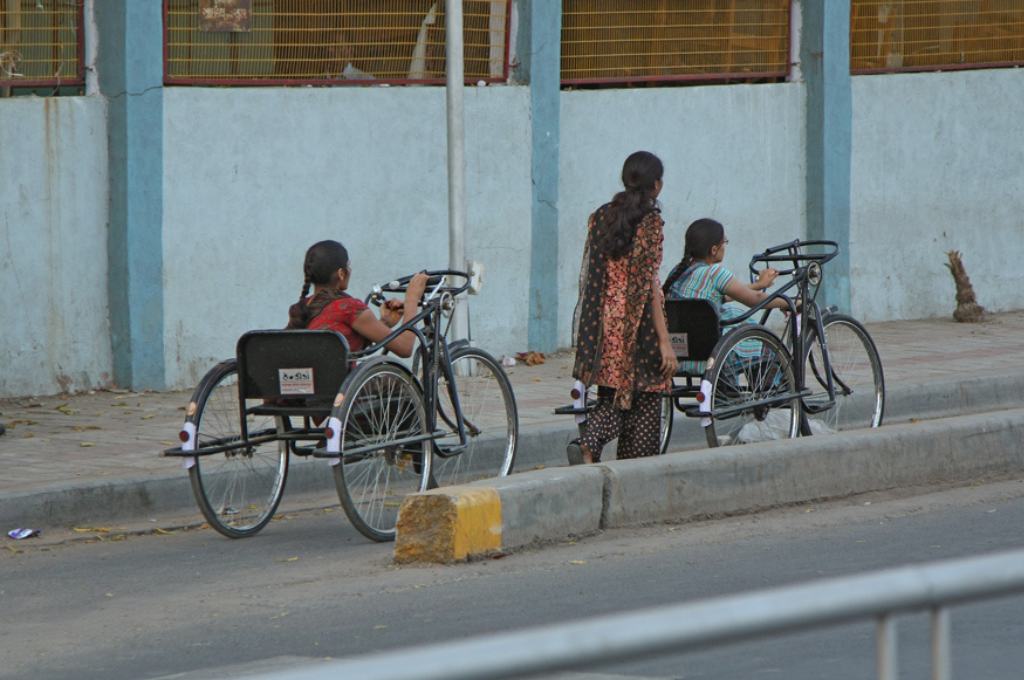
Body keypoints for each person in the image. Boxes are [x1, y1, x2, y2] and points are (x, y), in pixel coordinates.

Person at [569, 151, 678, 465]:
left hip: (604, 323)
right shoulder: (650, 222)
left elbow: (593, 274)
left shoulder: (602, 216)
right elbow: (648, 286)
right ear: (656, 185)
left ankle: (590, 447)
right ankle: (615, 459)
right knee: (646, 397)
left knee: (613, 394)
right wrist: (663, 340)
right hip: (637, 322)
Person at [664, 218, 787, 374]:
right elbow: (754, 299)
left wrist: (759, 285)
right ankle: (774, 389)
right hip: (713, 358)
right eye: (725, 242)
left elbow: (724, 295)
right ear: (714, 249)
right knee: (766, 347)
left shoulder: (677, 272)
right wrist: (787, 303)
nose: (725, 246)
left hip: (680, 357)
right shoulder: (715, 273)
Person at [286, 240, 427, 357]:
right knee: (401, 384)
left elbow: (346, 338)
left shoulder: (300, 309)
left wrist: (384, 322)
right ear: (341, 273)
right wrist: (411, 300)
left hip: (307, 388)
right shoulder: (349, 308)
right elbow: (405, 348)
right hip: (342, 388)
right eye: (348, 266)